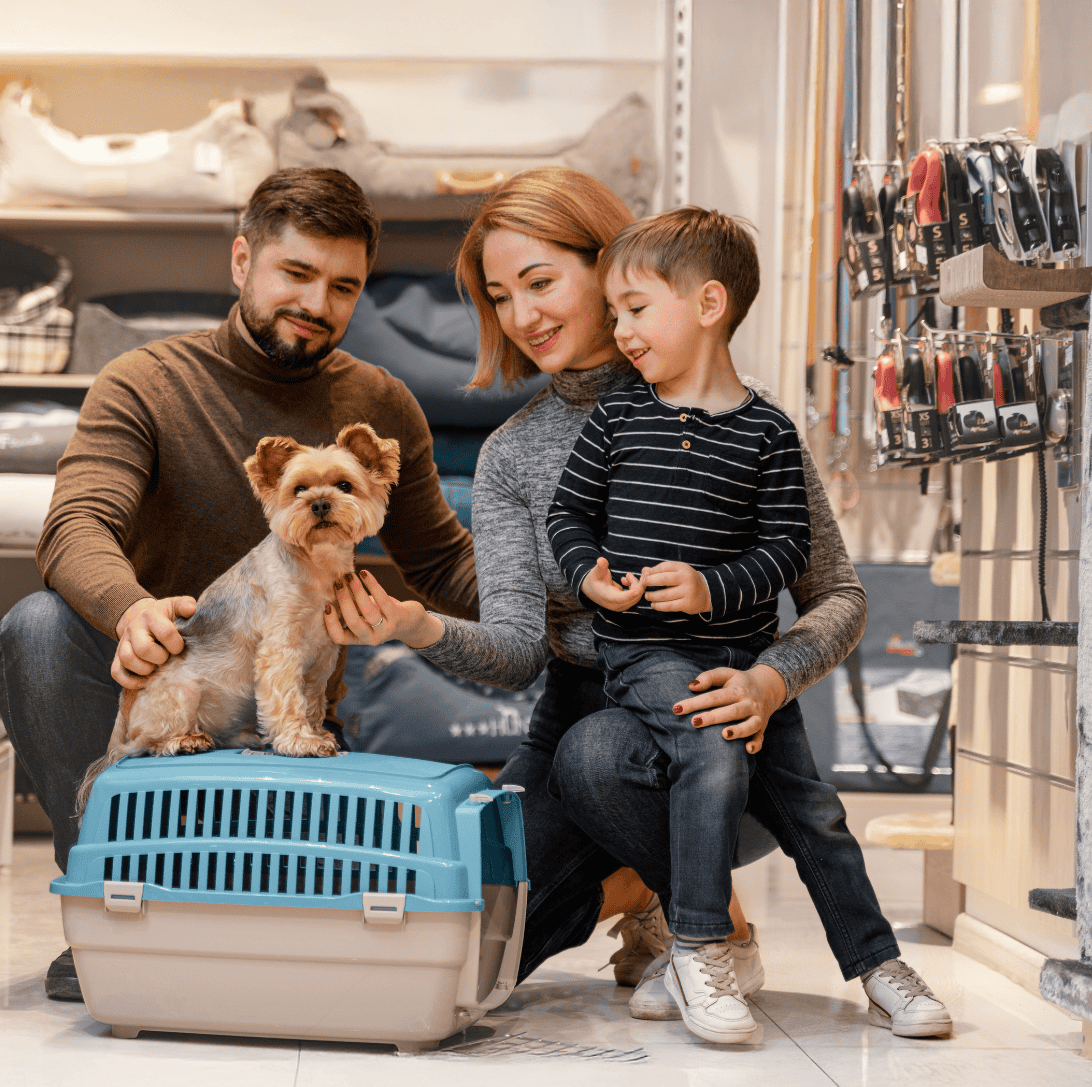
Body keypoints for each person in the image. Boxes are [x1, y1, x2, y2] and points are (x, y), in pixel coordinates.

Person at [325, 168, 944, 1039]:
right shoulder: (511, 456)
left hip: (729, 710)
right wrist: (412, 624)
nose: (523, 316)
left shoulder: (735, 417)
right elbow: (515, 654)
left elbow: (836, 593)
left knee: (596, 751)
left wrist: (770, 681)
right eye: (500, 297)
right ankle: (648, 893)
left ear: (609, 263)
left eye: (541, 283)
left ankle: (711, 928)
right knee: (476, 954)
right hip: (587, 695)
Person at [0, 167, 480, 1001]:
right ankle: (111, 899)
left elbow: (441, 563)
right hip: (156, 678)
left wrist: (565, 597)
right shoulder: (145, 381)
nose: (319, 303)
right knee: (35, 627)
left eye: (344, 286)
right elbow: (75, 527)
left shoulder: (381, 401)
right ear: (241, 260)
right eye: (295, 274)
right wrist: (132, 610)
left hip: (290, 705)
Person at [546, 208, 950, 1042]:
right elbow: (568, 513)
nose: (617, 328)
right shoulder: (620, 417)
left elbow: (787, 552)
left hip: (743, 653)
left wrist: (713, 591)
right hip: (647, 651)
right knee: (708, 743)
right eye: (614, 312)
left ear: (708, 305)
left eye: (633, 308)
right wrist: (589, 573)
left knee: (818, 814)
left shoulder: (768, 434)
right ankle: (701, 944)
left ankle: (878, 964)